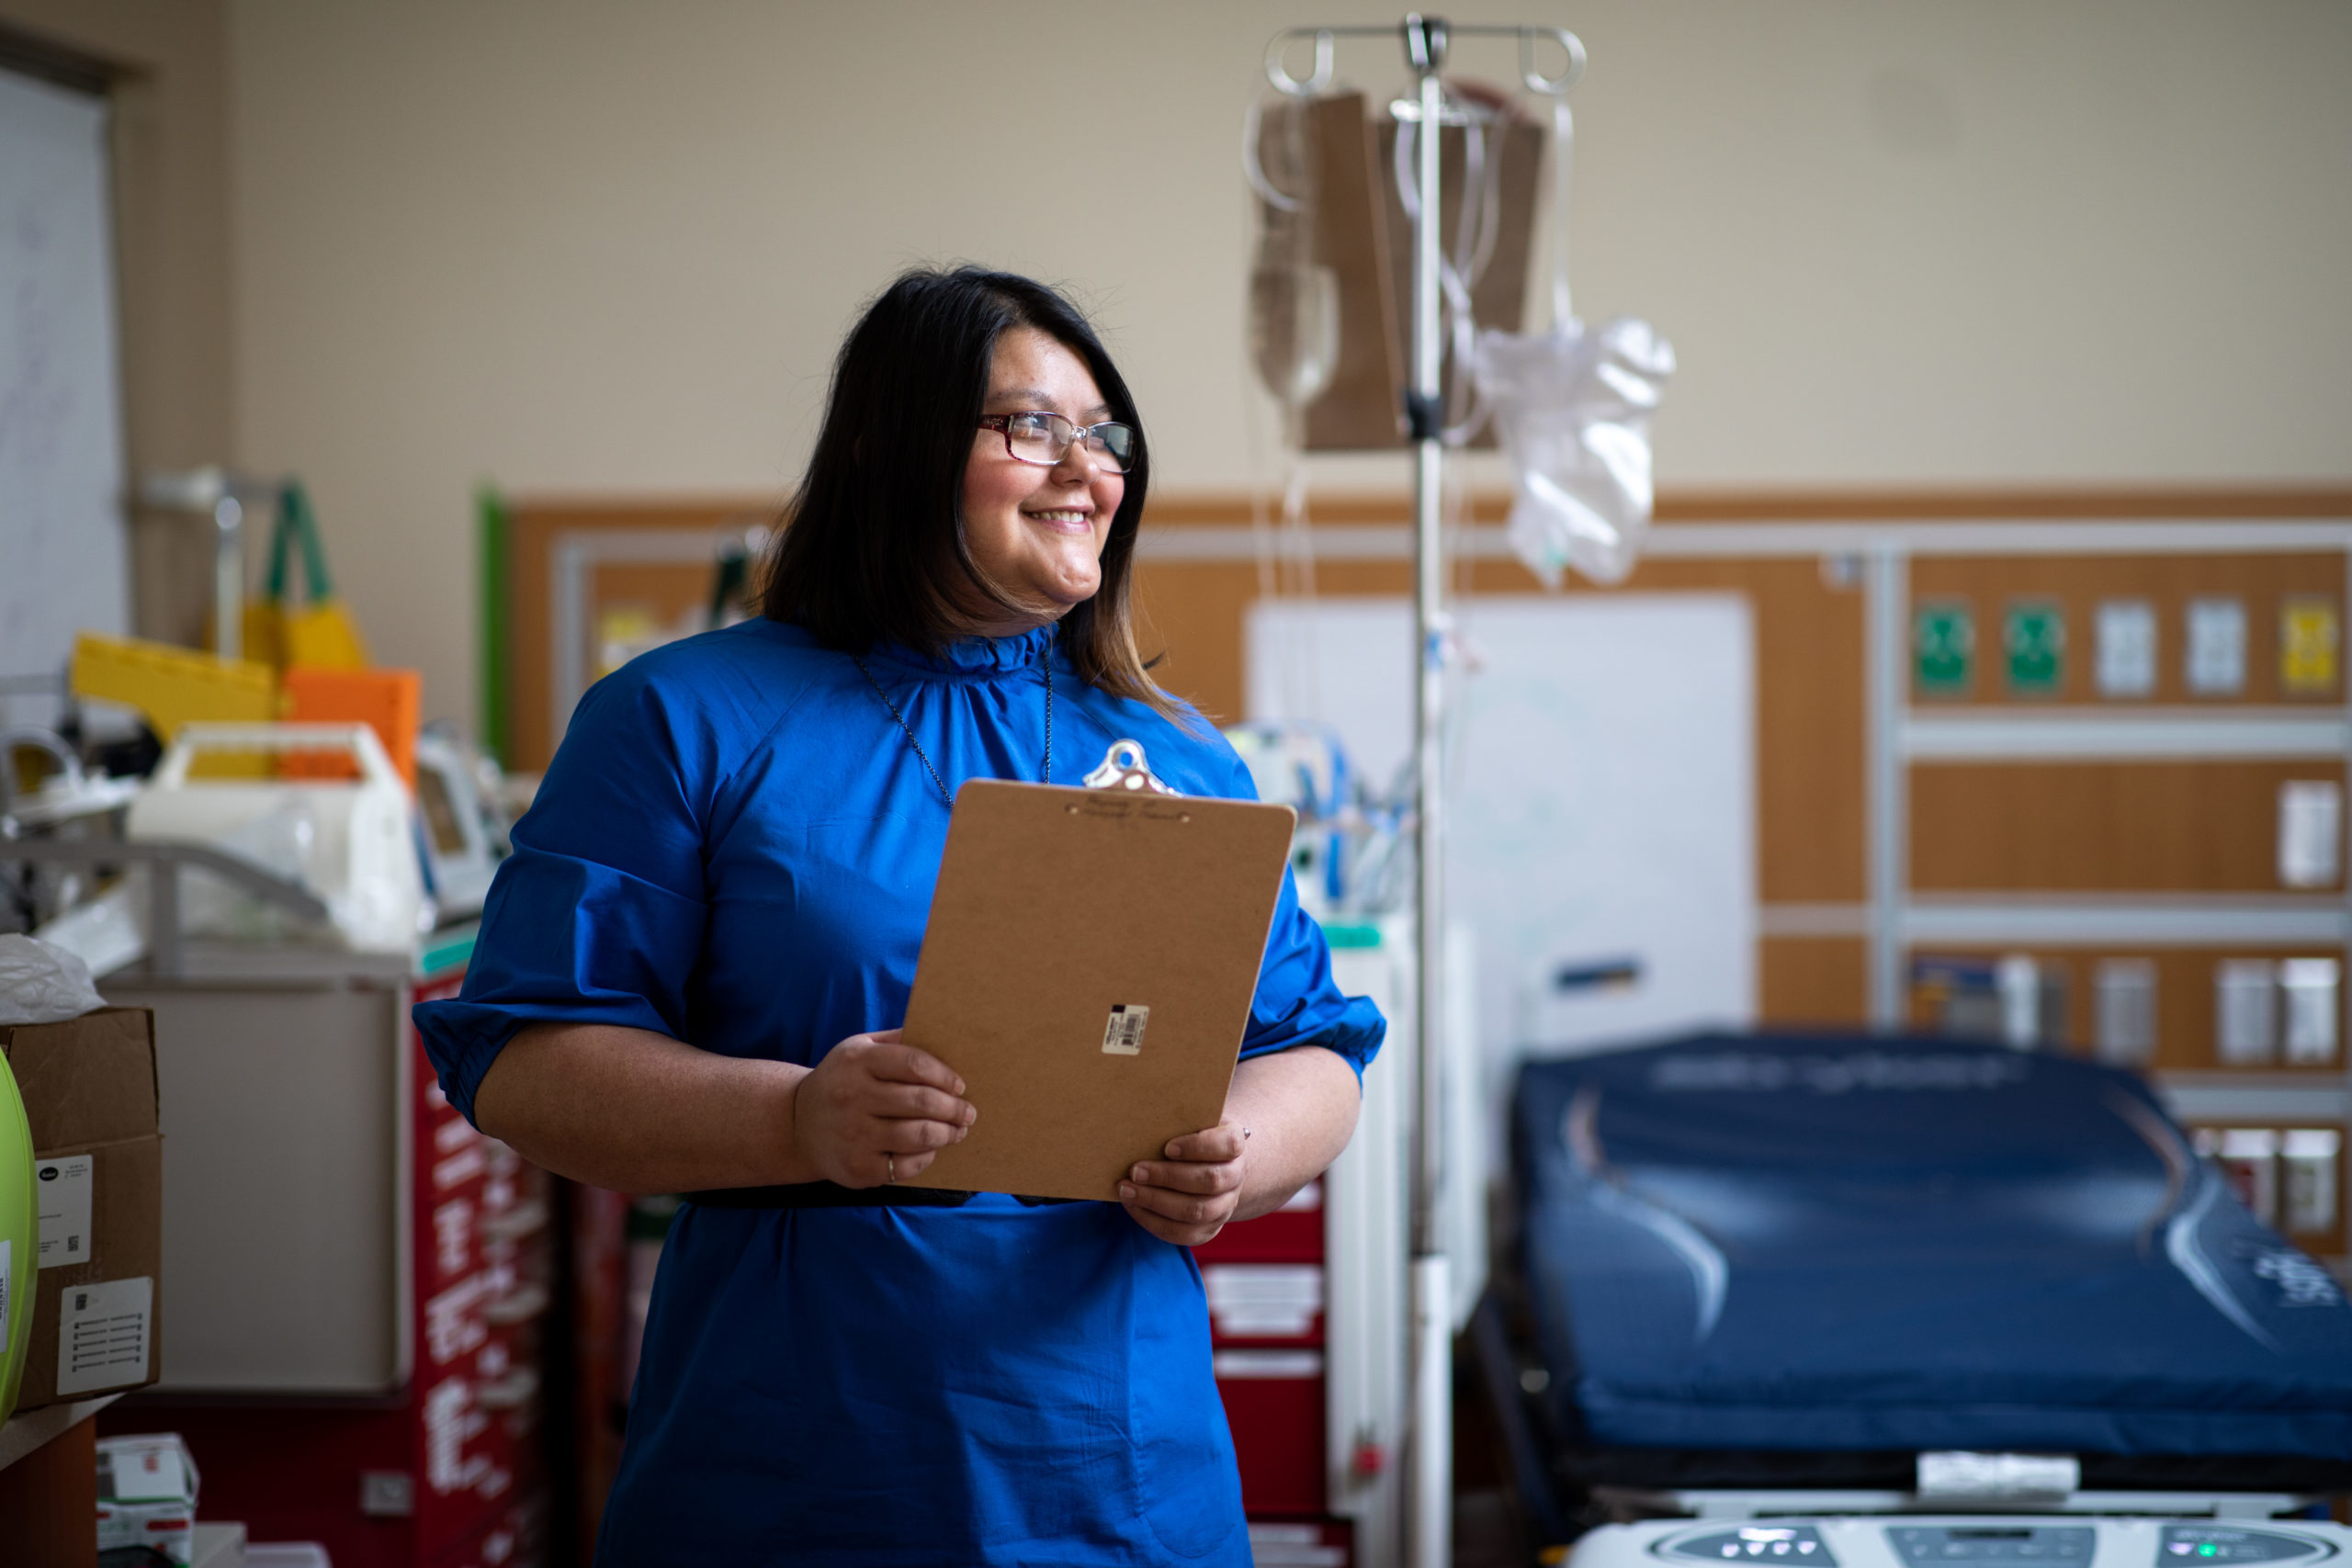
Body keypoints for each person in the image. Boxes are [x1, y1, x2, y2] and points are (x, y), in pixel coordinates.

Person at [413, 266, 1385, 1565]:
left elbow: (1312, 1048)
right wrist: (797, 1115)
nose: (1084, 467)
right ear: (888, 448)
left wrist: (1240, 1154)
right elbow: (526, 1062)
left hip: (1114, 1457)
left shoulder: (1177, 756)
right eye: (1028, 425)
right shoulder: (683, 720)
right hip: (798, 1448)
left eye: (1104, 434)